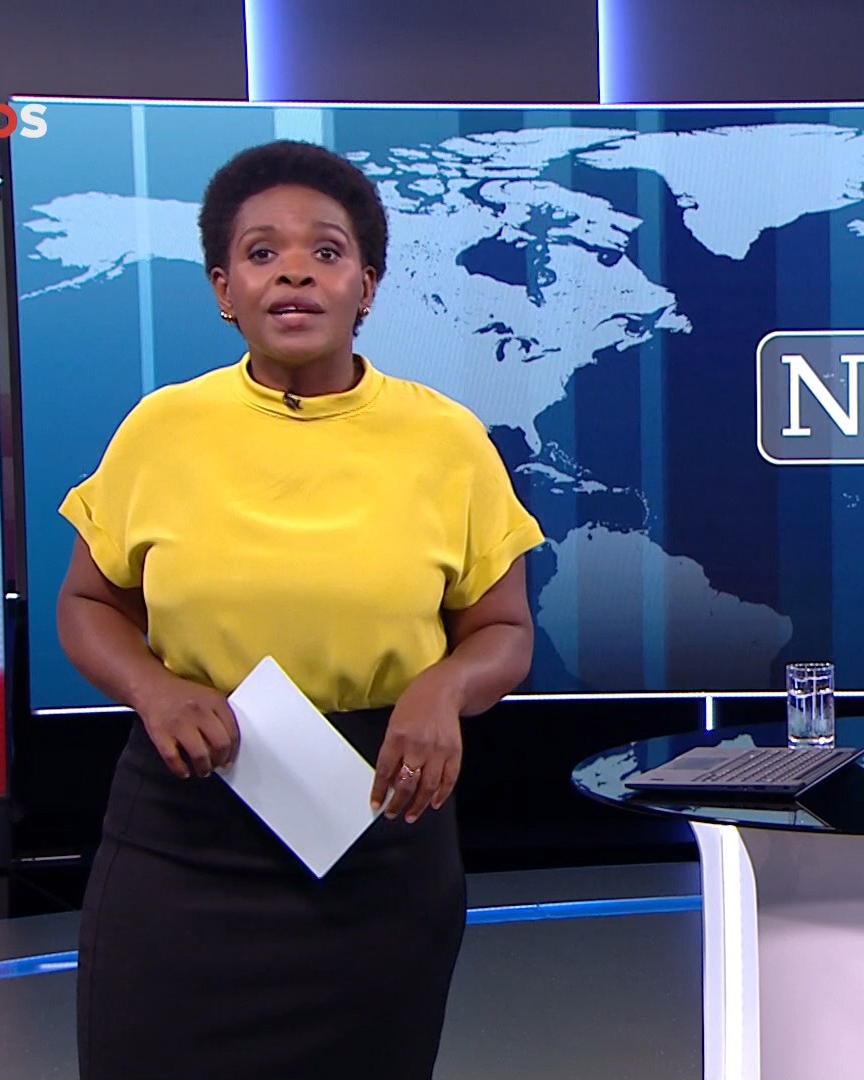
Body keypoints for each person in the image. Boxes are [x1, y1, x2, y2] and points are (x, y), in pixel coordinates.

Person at [56, 139, 544, 1080]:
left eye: (326, 251)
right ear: (223, 289)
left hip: (378, 821)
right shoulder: (161, 430)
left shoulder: (446, 440)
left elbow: (504, 631)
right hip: (186, 823)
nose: (293, 272)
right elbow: (87, 603)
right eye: (261, 252)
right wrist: (154, 689)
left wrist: (443, 690)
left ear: (367, 287)